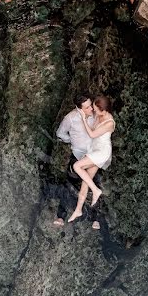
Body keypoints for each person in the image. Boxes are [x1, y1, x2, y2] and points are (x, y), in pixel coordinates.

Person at [54, 93, 101, 229]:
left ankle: (95, 218)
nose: (90, 109)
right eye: (86, 108)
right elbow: (60, 133)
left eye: (90, 105)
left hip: (93, 157)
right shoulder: (70, 118)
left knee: (95, 184)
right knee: (69, 184)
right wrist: (71, 140)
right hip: (78, 156)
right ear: (78, 108)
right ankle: (61, 215)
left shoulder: (96, 113)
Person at [68, 95, 115, 222]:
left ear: (103, 109)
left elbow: (92, 134)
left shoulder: (109, 123)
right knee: (85, 181)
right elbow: (94, 130)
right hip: (94, 149)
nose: (93, 110)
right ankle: (78, 210)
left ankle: (96, 190)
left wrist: (84, 119)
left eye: (95, 108)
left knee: (76, 166)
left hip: (102, 152)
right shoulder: (99, 115)